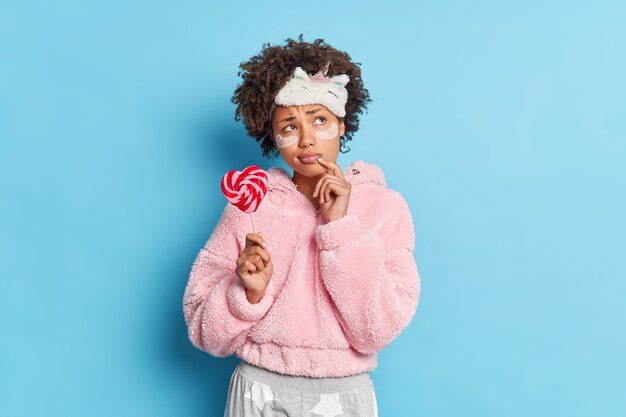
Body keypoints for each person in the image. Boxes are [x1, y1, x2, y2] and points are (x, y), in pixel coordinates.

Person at [182, 34, 421, 417]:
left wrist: (340, 227)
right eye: (290, 127)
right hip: (259, 388)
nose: (306, 140)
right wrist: (247, 294)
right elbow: (203, 332)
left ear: (342, 124)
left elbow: (377, 330)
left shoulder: (384, 209)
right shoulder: (251, 206)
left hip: (343, 396)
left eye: (320, 120)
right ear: (273, 136)